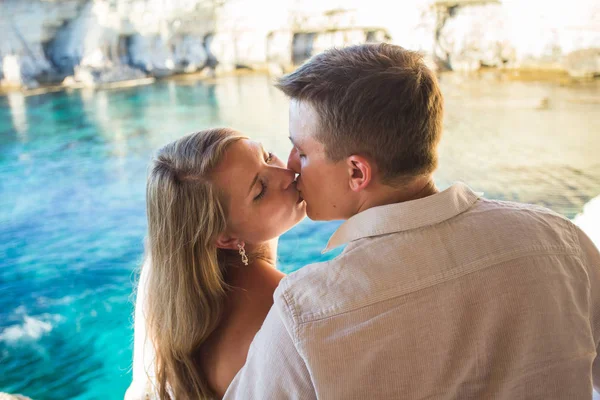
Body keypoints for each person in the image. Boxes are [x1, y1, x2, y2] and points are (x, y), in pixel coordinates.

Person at [224, 43, 600, 399]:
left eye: (302, 152)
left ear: (357, 172)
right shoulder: (562, 241)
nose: (289, 165)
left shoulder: (307, 312)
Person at [125, 128, 306, 399]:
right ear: (226, 238)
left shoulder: (166, 289)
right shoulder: (289, 305)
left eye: (267, 156)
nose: (288, 174)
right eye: (260, 190)